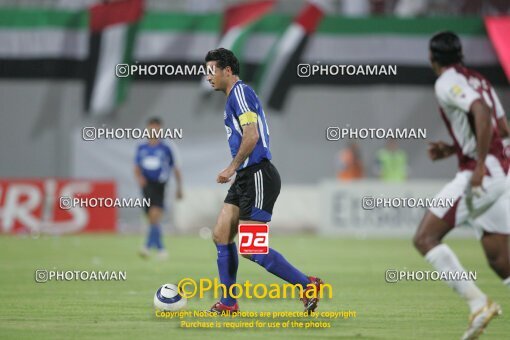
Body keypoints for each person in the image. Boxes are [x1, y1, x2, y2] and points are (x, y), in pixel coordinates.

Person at [204, 48, 323, 313]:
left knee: (251, 248)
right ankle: (228, 302)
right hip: (247, 176)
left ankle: (307, 284)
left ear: (227, 70)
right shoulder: (233, 97)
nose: (208, 77)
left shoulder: (241, 93)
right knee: (221, 234)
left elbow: (252, 135)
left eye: (211, 71)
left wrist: (231, 167)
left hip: (257, 174)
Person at [413, 31, 510, 340]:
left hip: (481, 174)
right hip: (500, 169)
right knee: (500, 260)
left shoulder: (446, 82)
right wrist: (456, 148)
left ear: (432, 58)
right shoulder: (479, 78)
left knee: (425, 238)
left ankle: (478, 303)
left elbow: (480, 110)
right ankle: (480, 303)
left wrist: (478, 164)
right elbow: (503, 128)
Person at [134, 117, 183, 259]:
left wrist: (179, 187)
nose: (153, 130)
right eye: (151, 127)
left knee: (155, 214)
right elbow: (136, 166)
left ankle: (154, 247)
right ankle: (154, 247)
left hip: (160, 185)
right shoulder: (142, 146)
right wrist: (139, 178)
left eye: (156, 127)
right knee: (151, 217)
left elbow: (176, 168)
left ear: (160, 129)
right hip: (146, 186)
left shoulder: (167, 147)